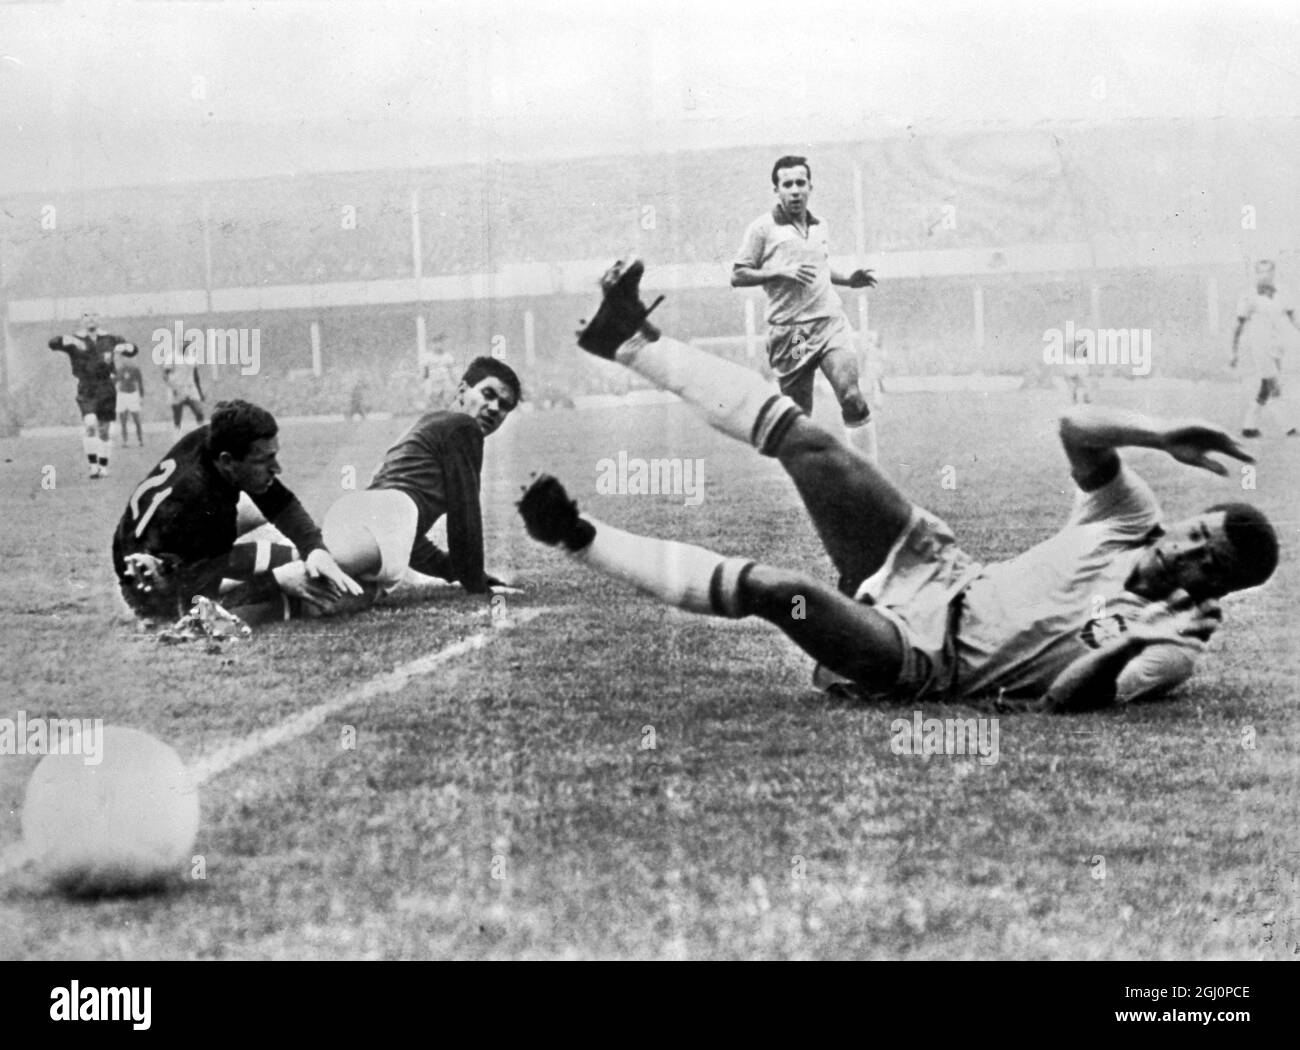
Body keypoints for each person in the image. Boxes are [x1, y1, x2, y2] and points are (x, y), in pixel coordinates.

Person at [520, 259, 1279, 712]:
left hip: (928, 659)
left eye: (1212, 564)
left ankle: (578, 538)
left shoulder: (1174, 648)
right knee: (809, 441)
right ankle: (623, 341)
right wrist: (1160, 433)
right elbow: (1075, 427)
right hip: (934, 567)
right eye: (1198, 534)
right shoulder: (1130, 518)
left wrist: (1134, 640)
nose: (1190, 553)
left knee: (778, 589)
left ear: (1226, 588)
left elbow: (1063, 700)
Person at [112, 399, 361, 623]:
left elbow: (278, 501)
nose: (277, 468)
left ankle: (285, 560)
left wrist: (314, 548)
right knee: (316, 594)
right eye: (264, 460)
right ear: (228, 461)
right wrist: (279, 580)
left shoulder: (210, 438)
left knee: (297, 553)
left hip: (148, 549)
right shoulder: (204, 507)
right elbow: (201, 610)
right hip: (153, 587)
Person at [320, 356, 522, 604]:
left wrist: (457, 572)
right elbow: (464, 513)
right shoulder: (463, 427)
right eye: (488, 394)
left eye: (504, 406)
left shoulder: (432, 422)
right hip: (386, 517)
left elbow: (411, 540)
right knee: (306, 567)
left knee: (328, 598)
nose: (493, 408)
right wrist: (476, 584)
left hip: (358, 514)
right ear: (462, 390)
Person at [732, 155, 879, 461]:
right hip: (793, 336)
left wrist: (849, 280)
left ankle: (871, 482)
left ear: (810, 186)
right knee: (800, 418)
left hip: (829, 326)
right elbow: (738, 274)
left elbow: (820, 267)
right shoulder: (762, 229)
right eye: (788, 184)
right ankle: (817, 486)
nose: (795, 190)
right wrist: (778, 272)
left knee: (852, 396)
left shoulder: (820, 225)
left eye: (801, 183)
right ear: (777, 190)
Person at [48, 312, 136, 478]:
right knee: (89, 423)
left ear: (100, 318)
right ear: (81, 320)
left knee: (104, 430)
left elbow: (133, 349)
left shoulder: (110, 339)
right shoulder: (75, 340)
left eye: (94, 315)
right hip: (86, 387)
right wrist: (67, 340)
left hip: (106, 387)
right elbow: (52, 343)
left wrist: (125, 347)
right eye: (86, 315)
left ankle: (103, 467)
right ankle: (93, 465)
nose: (90, 319)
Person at [1231, 259, 1300, 437]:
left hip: (1277, 347)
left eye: (1268, 272)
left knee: (1265, 387)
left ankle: (1249, 426)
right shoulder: (1248, 296)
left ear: (1273, 273)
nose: (1265, 275)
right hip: (1259, 347)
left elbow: (1294, 318)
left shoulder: (1283, 292)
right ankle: (1289, 428)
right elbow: (1238, 326)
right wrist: (1233, 352)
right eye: (1261, 272)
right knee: (1273, 385)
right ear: (1256, 274)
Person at [162, 362, 206, 435]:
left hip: (190, 390)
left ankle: (202, 434)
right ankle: (177, 435)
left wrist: (200, 392)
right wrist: (173, 387)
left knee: (199, 412)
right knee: (177, 416)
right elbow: (165, 375)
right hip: (177, 390)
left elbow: (196, 376)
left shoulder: (192, 357)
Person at [116, 354, 146, 447]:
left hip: (132, 395)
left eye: (127, 358)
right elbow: (114, 382)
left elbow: (140, 383)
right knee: (123, 420)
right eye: (123, 358)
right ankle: (125, 441)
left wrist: (141, 397)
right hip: (122, 395)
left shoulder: (135, 369)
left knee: (136, 419)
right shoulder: (119, 370)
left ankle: (140, 439)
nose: (125, 360)